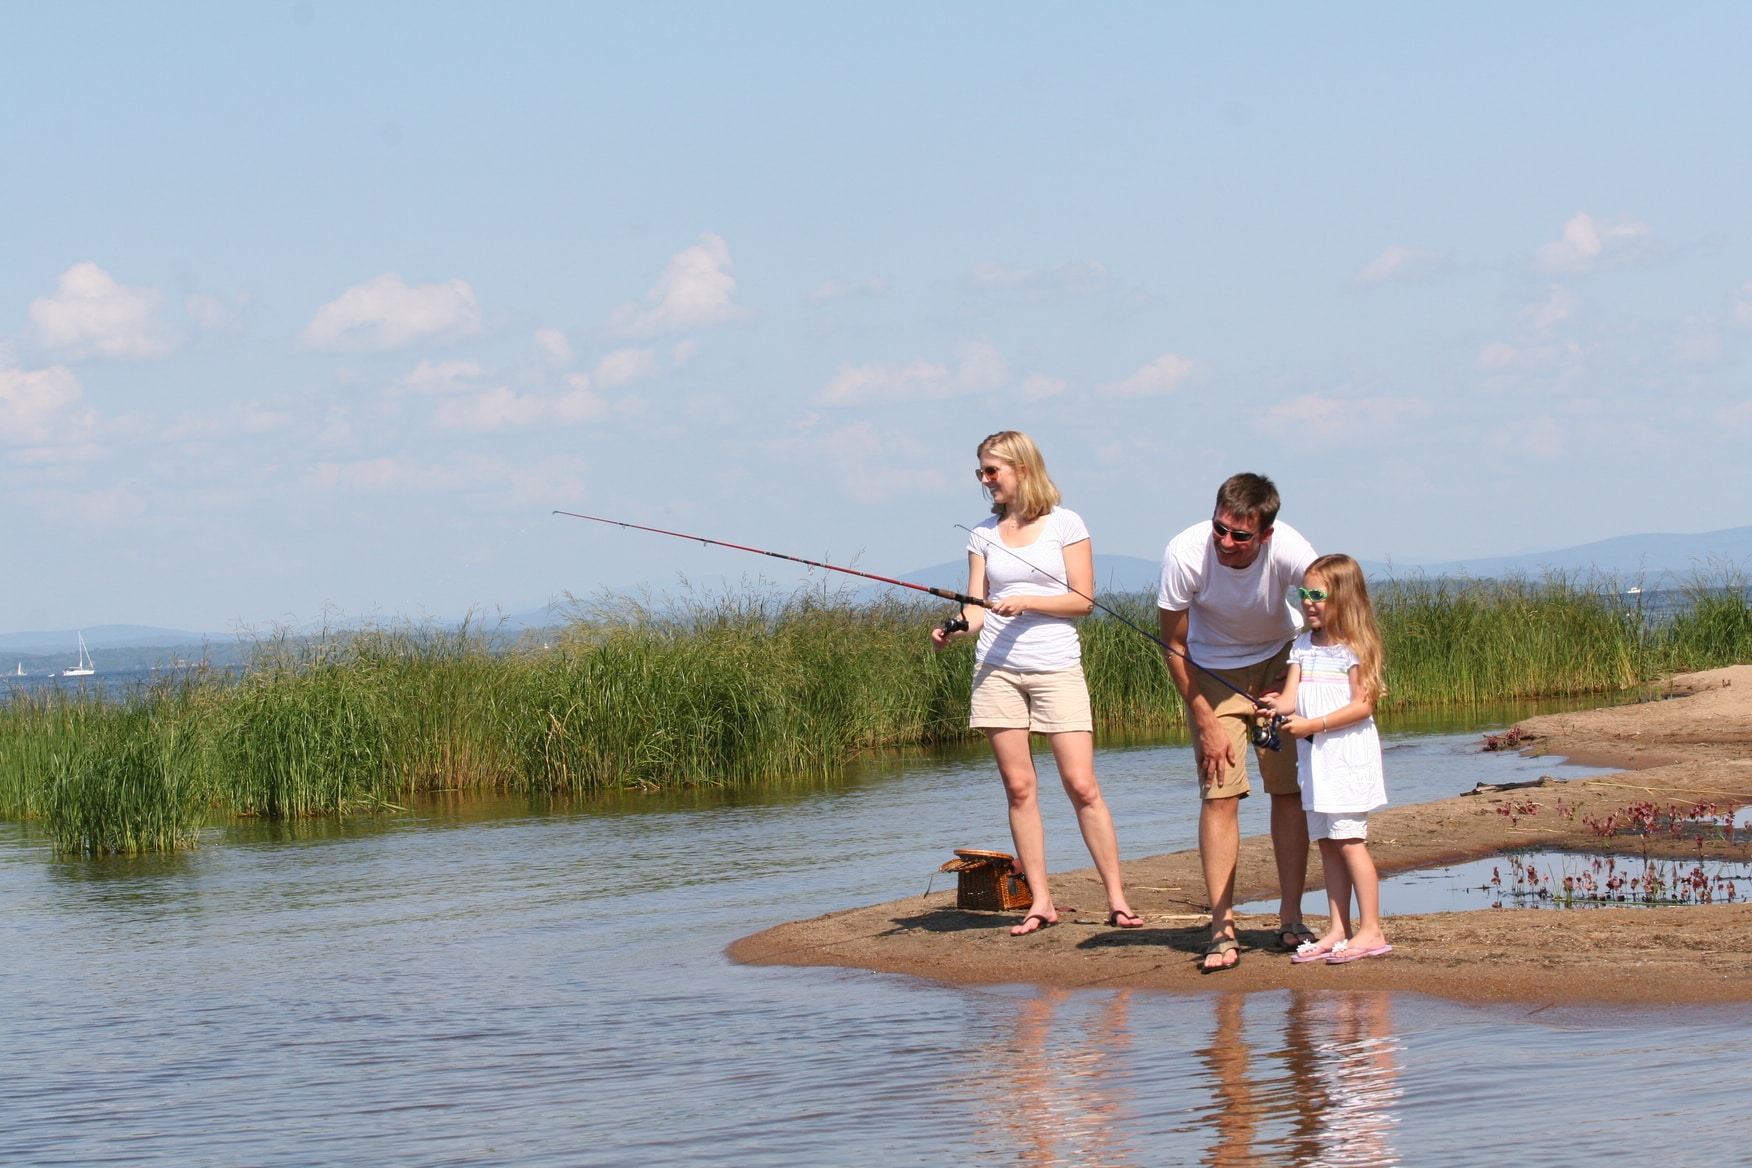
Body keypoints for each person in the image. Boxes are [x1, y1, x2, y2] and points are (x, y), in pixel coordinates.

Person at [932, 430, 1142, 936]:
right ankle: (1041, 901)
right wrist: (956, 628)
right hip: (997, 671)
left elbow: (1083, 601)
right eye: (981, 472)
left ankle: (1117, 900)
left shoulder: (1066, 523)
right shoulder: (982, 534)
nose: (985, 481)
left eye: (991, 471)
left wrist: (1028, 601)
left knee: (1082, 785)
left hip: (1056, 667)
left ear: (1021, 469)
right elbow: (977, 608)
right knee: (1020, 788)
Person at [1157, 473, 1316, 972]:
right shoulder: (1184, 554)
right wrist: (1204, 718)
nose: (1226, 542)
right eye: (1219, 529)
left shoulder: (1290, 547)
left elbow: (1330, 603)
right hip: (1211, 670)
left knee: (1287, 790)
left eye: (1240, 535)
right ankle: (1221, 928)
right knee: (1219, 793)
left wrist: (1294, 688)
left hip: (1280, 658)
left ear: (1265, 534)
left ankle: (1290, 917)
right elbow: (1173, 645)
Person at [1271, 554, 1391, 964]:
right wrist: (1276, 707)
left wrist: (1313, 725)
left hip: (1346, 758)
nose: (1307, 602)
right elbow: (1290, 698)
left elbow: (1363, 706)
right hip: (1314, 762)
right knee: (1326, 842)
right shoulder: (1301, 645)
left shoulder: (1355, 648)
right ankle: (1339, 929)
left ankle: (1371, 929)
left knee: (1350, 841)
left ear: (1342, 597)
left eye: (1317, 595)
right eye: (1303, 593)